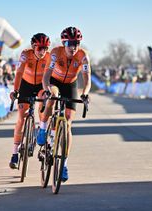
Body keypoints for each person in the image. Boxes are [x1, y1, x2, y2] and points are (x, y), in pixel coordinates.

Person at [37, 27, 91, 182]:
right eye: (70, 43)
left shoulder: (83, 56)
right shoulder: (55, 53)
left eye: (77, 43)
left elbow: (87, 79)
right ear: (63, 43)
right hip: (54, 82)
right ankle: (42, 128)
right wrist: (46, 89)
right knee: (53, 96)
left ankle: (64, 164)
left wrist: (85, 93)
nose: (73, 47)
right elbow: (46, 77)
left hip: (70, 85)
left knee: (67, 125)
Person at [9, 33, 51, 169]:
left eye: (45, 48)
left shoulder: (49, 57)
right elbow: (19, 73)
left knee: (43, 106)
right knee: (21, 117)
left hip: (40, 85)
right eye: (39, 48)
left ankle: (41, 131)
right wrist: (15, 90)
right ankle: (14, 154)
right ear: (33, 47)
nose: (42, 51)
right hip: (25, 85)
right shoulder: (25, 54)